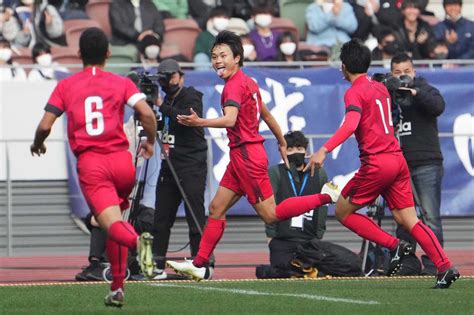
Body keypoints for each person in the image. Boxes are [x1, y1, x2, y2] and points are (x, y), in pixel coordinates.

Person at [166, 30, 340, 281]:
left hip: (246, 157)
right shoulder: (249, 82)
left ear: (237, 57)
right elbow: (267, 116)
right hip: (241, 156)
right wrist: (281, 142)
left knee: (270, 214)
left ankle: (326, 196)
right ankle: (200, 265)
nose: (217, 60)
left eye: (223, 55)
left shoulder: (233, 87)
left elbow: (230, 119)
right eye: (214, 56)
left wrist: (198, 122)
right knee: (216, 208)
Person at [306, 39, 459, 289]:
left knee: (343, 212)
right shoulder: (379, 88)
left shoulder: (354, 91)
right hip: (397, 160)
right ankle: (444, 267)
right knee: (408, 218)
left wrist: (323, 149)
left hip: (377, 163)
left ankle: (395, 247)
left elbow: (351, 124)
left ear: (344, 66)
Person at [30, 27, 158, 307]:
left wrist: (37, 143)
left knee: (110, 223)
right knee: (116, 221)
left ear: (79, 54)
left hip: (94, 164)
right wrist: (149, 142)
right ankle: (117, 288)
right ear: (108, 54)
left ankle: (140, 245)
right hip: (122, 161)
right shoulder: (121, 82)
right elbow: (147, 113)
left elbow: (45, 125)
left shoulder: (67, 85)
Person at [151, 59, 208, 279]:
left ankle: (201, 263)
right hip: (169, 165)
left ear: (181, 76)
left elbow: (184, 119)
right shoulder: (166, 99)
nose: (170, 81)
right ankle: (156, 265)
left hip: (191, 165)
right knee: (161, 218)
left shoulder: (191, 96)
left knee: (195, 216)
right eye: (166, 77)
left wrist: (159, 104)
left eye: (173, 76)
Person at [390, 52, 447, 275]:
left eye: (406, 72)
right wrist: (390, 90)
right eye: (397, 73)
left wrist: (414, 92)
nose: (403, 76)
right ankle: (407, 263)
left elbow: (438, 106)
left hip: (426, 163)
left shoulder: (425, 88)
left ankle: (435, 264)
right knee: (404, 218)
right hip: (399, 164)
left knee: (430, 216)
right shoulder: (389, 95)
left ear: (414, 71)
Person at [264, 131, 329, 277]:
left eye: (299, 149)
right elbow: (269, 204)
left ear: (306, 151)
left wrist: (319, 235)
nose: (295, 152)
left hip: (309, 240)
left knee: (315, 273)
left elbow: (323, 207)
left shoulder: (319, 173)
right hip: (282, 240)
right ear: (283, 151)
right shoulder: (275, 172)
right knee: (282, 273)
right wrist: (270, 236)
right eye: (290, 149)